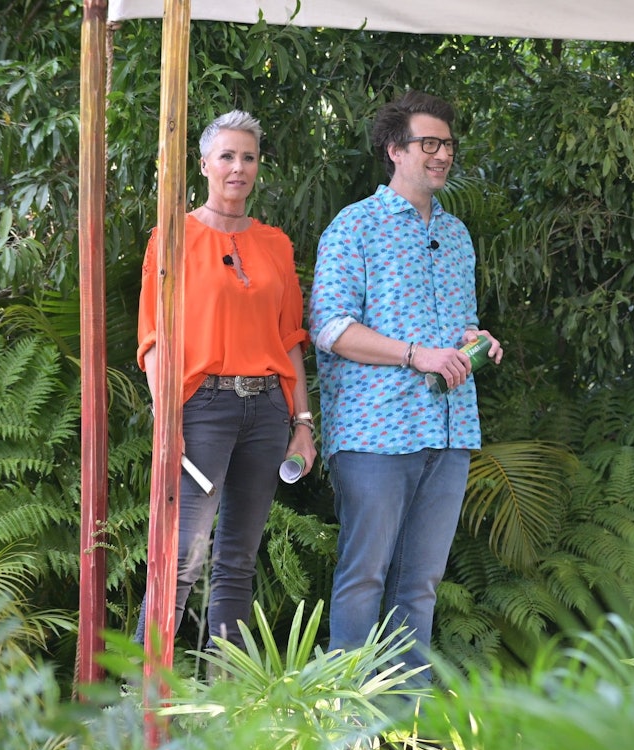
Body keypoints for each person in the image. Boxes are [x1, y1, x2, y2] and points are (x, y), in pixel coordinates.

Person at [309, 90, 502, 682]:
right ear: (395, 150)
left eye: (446, 144)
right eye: (429, 143)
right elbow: (331, 327)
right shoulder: (355, 226)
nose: (442, 154)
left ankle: (403, 718)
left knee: (420, 582)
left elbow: (454, 330)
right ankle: (346, 716)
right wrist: (416, 355)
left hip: (448, 429)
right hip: (374, 431)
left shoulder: (458, 235)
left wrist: (478, 342)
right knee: (365, 573)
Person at [135, 109, 317, 652]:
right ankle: (143, 704)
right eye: (227, 156)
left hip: (265, 412)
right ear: (205, 163)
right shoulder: (173, 236)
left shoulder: (276, 244)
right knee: (183, 558)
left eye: (249, 157)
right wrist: (167, 419)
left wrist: (302, 423)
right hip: (200, 408)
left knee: (237, 560)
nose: (238, 167)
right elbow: (153, 340)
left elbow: (289, 340)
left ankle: (227, 705)